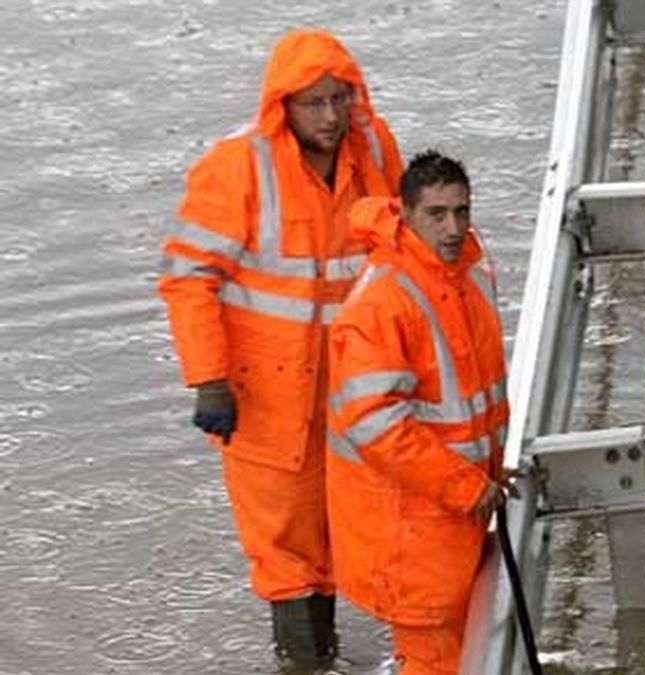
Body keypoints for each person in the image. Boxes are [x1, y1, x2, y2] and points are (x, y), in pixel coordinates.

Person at [157, 29, 404, 669]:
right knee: (287, 549)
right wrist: (208, 381)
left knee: (364, 524)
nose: (329, 116)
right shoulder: (236, 166)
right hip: (264, 396)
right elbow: (188, 277)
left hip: (357, 384)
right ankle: (305, 661)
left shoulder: (373, 147)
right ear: (283, 106)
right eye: (313, 103)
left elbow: (404, 257)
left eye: (339, 99)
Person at [325, 151, 511, 675]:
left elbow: (467, 403)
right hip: (412, 528)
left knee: (453, 657)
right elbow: (377, 425)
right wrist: (468, 485)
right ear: (405, 214)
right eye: (437, 214)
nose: (453, 227)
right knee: (436, 661)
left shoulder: (467, 272)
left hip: (452, 511)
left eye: (462, 211)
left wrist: (489, 474)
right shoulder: (383, 301)